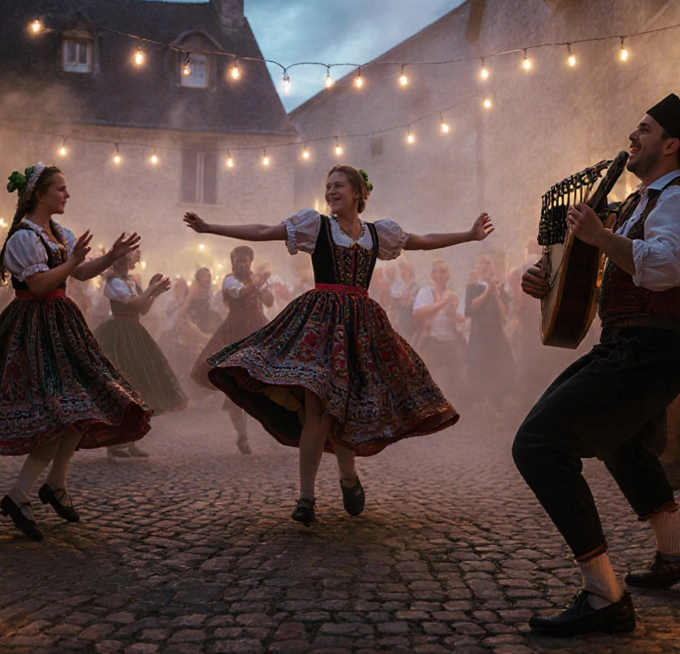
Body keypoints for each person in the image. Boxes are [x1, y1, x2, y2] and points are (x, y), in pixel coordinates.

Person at [515, 94, 680, 636]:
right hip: (630, 343)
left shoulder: (678, 202)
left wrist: (601, 237)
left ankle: (603, 593)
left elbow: (666, 269)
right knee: (623, 442)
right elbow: (594, 276)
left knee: (537, 444)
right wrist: (544, 280)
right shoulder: (634, 203)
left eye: (645, 129)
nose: (633, 136)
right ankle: (675, 553)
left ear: (670, 145)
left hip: (652, 347)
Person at [184, 165, 494, 525]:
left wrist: (469, 236)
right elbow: (263, 231)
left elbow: (421, 240)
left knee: (344, 409)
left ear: (358, 193)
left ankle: (348, 477)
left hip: (362, 330)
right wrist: (211, 228)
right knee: (317, 410)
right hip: (321, 325)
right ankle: (306, 498)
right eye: (328, 186)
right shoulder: (316, 225)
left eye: (338, 186)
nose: (331, 191)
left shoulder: (379, 234)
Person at [0, 163, 150, 541]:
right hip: (33, 326)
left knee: (79, 408)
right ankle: (22, 494)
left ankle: (53, 484)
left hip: (61, 323)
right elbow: (36, 284)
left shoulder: (58, 232)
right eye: (61, 189)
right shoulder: (23, 237)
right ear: (38, 195)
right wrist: (71, 261)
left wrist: (107, 256)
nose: (67, 195)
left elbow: (80, 274)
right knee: (58, 412)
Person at [95, 251, 188, 459]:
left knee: (138, 387)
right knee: (122, 386)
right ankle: (115, 441)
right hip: (119, 334)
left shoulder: (128, 280)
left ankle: (130, 440)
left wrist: (153, 293)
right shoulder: (115, 283)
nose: (137, 256)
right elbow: (134, 304)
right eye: (133, 254)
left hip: (134, 332)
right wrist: (151, 289)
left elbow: (143, 309)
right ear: (123, 259)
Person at [190, 246, 274, 455]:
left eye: (245, 261)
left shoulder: (257, 279)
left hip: (258, 328)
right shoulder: (229, 281)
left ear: (251, 262)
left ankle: (275, 425)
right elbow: (242, 293)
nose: (242, 264)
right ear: (232, 263)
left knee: (266, 378)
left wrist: (265, 285)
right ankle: (242, 434)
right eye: (238, 261)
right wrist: (259, 280)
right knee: (235, 385)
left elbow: (269, 301)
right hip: (236, 332)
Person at [464, 253, 516, 415]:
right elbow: (470, 310)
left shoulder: (500, 288)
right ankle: (482, 401)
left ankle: (498, 403)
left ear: (493, 268)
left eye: (488, 263)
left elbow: (504, 311)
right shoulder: (472, 287)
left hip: (495, 333)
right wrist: (487, 291)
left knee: (500, 364)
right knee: (479, 365)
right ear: (478, 268)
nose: (485, 266)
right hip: (479, 333)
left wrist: (495, 294)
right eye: (482, 263)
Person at [411, 259, 467, 394]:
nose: (439, 276)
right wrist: (442, 302)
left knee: (454, 380)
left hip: (451, 342)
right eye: (436, 272)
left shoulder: (455, 294)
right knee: (429, 378)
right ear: (432, 275)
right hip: (432, 341)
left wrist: (451, 311)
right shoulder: (425, 292)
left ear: (448, 275)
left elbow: (461, 319)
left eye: (443, 272)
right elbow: (417, 313)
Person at [387, 256, 421, 339]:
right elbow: (394, 296)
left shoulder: (416, 285)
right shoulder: (397, 284)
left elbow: (416, 298)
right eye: (401, 270)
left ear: (409, 271)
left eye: (404, 270)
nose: (402, 272)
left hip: (412, 313)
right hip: (400, 313)